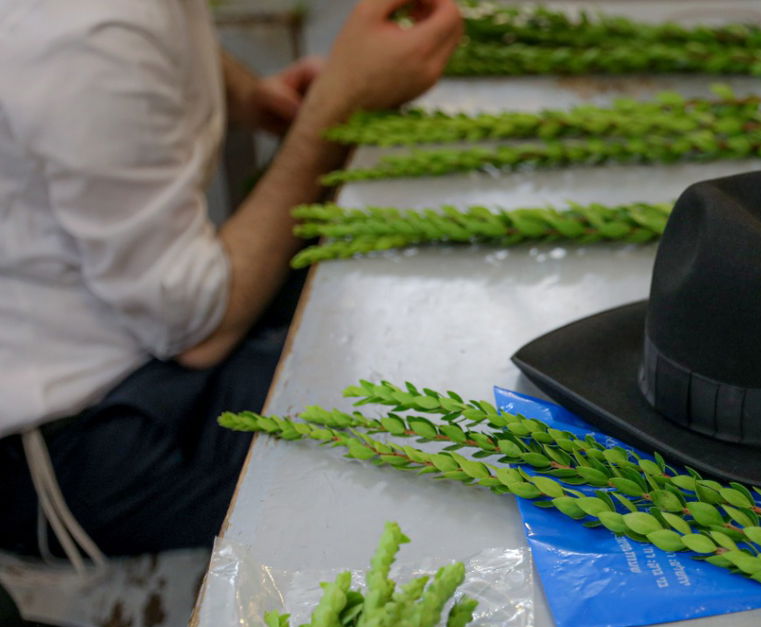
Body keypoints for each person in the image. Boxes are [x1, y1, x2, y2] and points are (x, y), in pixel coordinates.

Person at [0, 0, 464, 560]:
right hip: (71, 434)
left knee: (409, 359)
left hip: (152, 322)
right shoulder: (86, 35)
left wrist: (249, 95)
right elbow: (200, 330)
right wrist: (337, 108)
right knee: (407, 473)